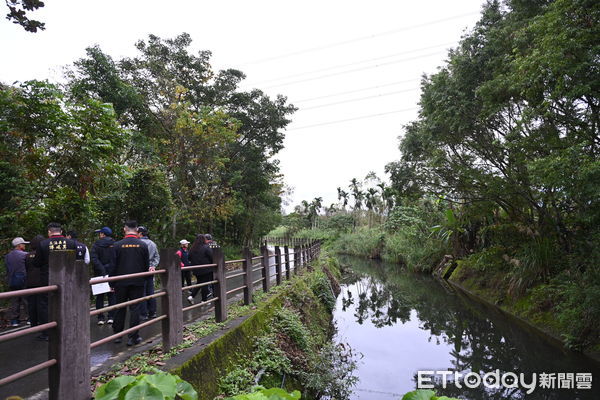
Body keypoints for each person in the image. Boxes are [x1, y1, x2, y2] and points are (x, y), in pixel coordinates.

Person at [34, 222, 77, 341]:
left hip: (48, 279)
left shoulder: (43, 244)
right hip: (67, 279)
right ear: (61, 231)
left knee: (45, 304)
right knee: (67, 302)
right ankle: (68, 328)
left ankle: (47, 333)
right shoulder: (71, 243)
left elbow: (37, 263)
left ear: (49, 232)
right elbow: (75, 261)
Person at [110, 220, 149, 346]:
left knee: (120, 307)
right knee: (135, 308)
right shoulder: (142, 245)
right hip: (137, 281)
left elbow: (113, 266)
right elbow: (146, 265)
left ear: (124, 229)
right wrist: (144, 280)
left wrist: (111, 282)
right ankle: (133, 337)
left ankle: (118, 335)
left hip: (120, 282)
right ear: (137, 230)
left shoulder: (117, 245)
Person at [91, 227, 116, 325]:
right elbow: (116, 259)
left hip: (99, 274)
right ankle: (111, 316)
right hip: (112, 273)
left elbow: (94, 258)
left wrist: (101, 269)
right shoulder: (115, 244)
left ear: (103, 234)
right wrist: (109, 269)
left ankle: (100, 318)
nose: (99, 235)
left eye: (100, 233)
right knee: (112, 295)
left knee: (99, 296)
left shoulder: (96, 245)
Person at [5, 237, 29, 327]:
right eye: (23, 244)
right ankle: (29, 318)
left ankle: (14, 320)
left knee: (15, 300)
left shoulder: (7, 256)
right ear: (19, 246)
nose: (25, 246)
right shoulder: (25, 255)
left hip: (12, 280)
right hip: (23, 280)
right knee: (26, 299)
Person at [137, 226, 159, 320]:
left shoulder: (138, 243)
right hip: (150, 270)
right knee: (150, 291)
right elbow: (157, 257)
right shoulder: (153, 244)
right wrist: (153, 266)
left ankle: (143, 314)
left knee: (142, 292)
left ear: (140, 233)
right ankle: (152, 312)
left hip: (140, 270)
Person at [187, 234, 213, 304]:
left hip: (196, 269)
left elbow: (188, 258)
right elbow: (212, 257)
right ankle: (204, 300)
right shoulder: (206, 247)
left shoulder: (192, 248)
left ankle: (192, 296)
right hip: (206, 269)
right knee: (204, 284)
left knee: (199, 283)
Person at [25, 235, 44, 329]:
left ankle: (33, 324)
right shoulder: (43, 254)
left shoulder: (27, 255)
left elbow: (26, 268)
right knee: (41, 304)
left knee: (32, 305)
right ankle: (42, 324)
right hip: (41, 282)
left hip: (30, 283)